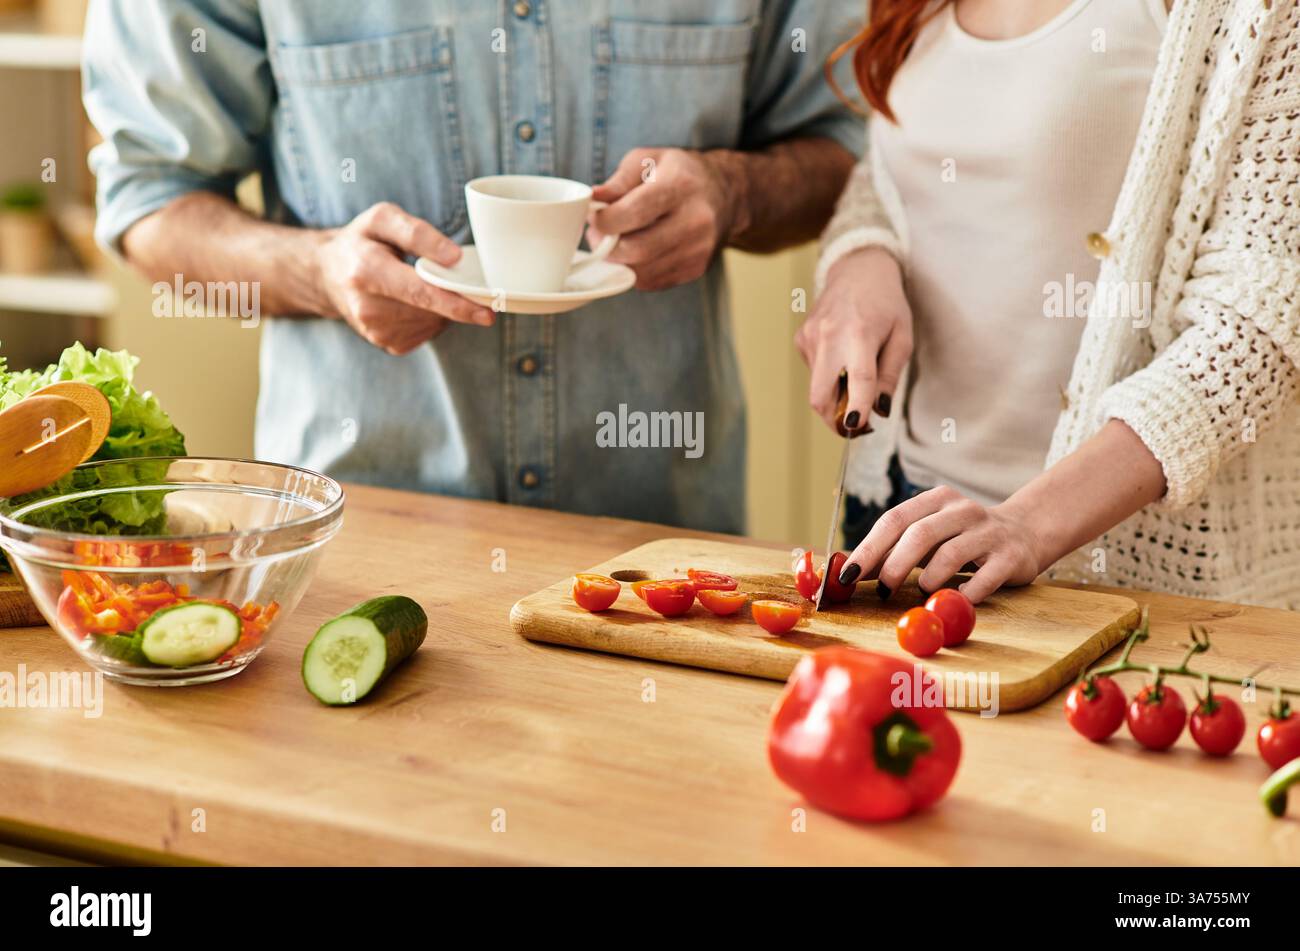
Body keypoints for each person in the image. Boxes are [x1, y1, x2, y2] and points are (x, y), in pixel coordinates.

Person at [84, 1, 863, 534]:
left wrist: (736, 192)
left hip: (658, 551)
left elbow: (854, 154)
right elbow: (151, 199)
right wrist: (319, 270)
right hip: (364, 542)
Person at [799, 0, 1300, 606]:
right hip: (901, 517)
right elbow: (898, 170)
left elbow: (1260, 322)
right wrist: (860, 260)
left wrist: (1028, 523)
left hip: (1115, 558)